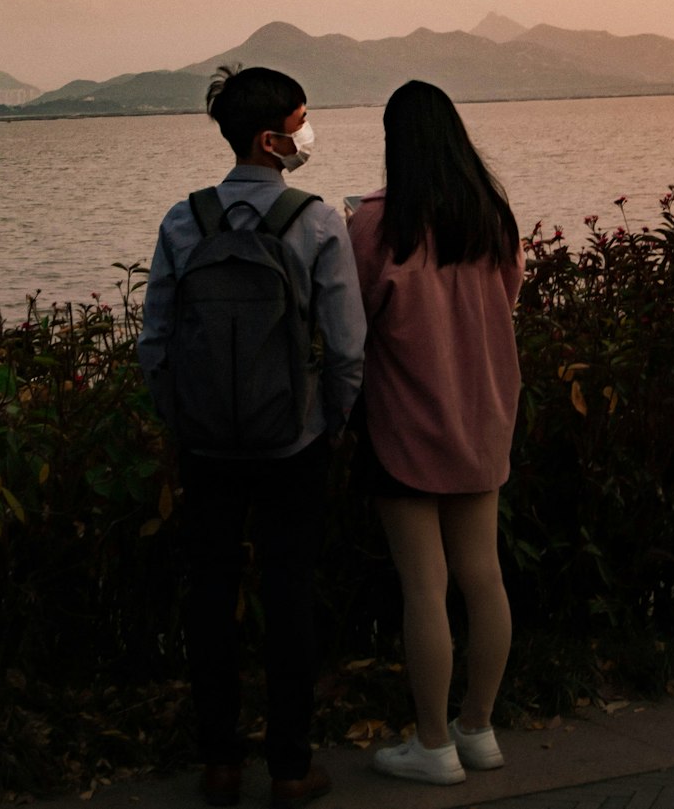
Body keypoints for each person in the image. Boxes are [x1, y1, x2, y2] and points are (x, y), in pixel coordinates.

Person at [138, 65, 365, 807]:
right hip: (292, 443)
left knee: (209, 597)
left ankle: (221, 762)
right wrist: (332, 420)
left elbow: (156, 342)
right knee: (289, 596)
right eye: (301, 120)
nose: (307, 132)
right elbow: (347, 345)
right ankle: (291, 766)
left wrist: (182, 421)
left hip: (207, 447)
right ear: (273, 139)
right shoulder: (318, 221)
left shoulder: (183, 220)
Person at [346, 80, 523, 787]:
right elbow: (506, 300)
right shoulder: (492, 217)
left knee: (425, 587)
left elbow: (352, 323)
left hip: (406, 424)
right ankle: (477, 727)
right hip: (484, 415)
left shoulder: (376, 225)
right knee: (484, 576)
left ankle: (431, 742)